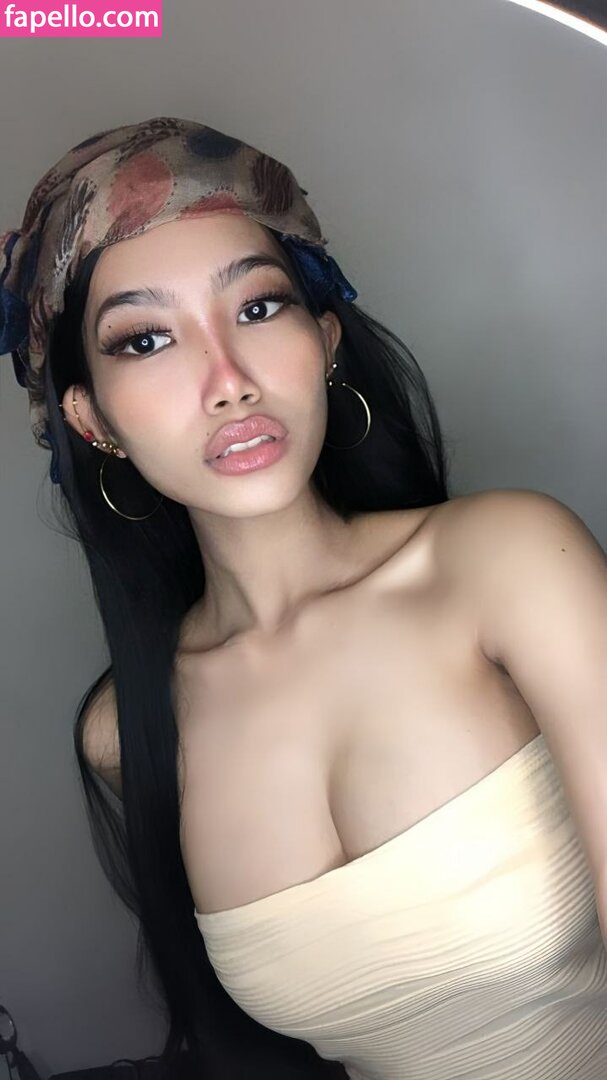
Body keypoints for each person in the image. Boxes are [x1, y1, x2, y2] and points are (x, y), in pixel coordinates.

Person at [2, 116, 606, 1080]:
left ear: (323, 339)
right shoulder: (127, 730)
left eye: (256, 307)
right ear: (90, 418)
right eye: (147, 338)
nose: (228, 382)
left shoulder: (507, 561)